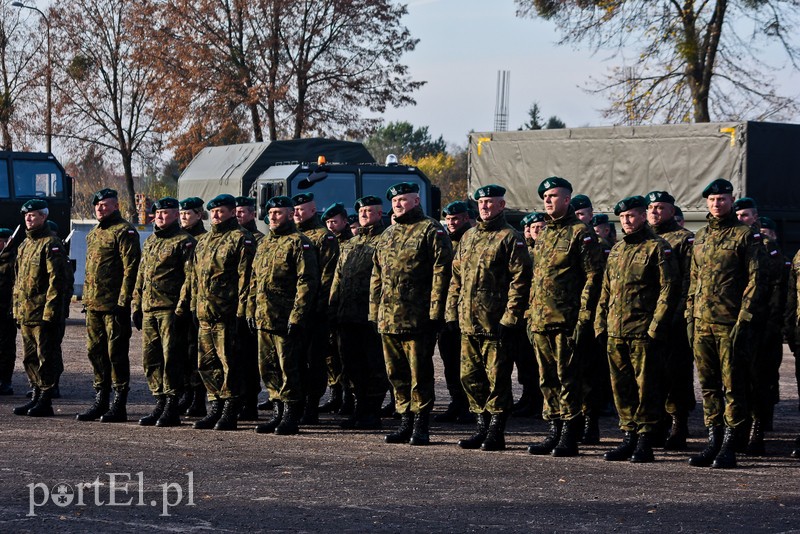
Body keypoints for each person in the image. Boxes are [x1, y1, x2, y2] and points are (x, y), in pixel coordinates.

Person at [446, 185, 531, 451]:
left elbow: (521, 281)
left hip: (495, 323)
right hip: (468, 322)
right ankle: (481, 425)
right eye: (481, 202)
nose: (484, 206)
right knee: (470, 377)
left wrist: (510, 317)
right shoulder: (468, 237)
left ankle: (496, 430)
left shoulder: (510, 237)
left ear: (502, 205)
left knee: (497, 379)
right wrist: (451, 312)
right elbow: (456, 278)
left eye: (490, 202)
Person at [686, 178, 763, 469]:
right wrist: (690, 315)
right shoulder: (701, 236)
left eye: (722, 199)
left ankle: (731, 443)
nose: (716, 204)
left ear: (731, 201)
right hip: (702, 323)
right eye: (712, 200)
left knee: (733, 385)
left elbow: (756, 279)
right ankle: (713, 440)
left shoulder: (745, 235)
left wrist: (744, 318)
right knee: (708, 385)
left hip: (730, 322)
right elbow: (694, 280)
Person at [595, 195, 678, 463]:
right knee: (621, 388)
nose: (627, 221)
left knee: (646, 389)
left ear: (643, 216)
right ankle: (628, 436)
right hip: (616, 331)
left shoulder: (657, 247)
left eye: (631, 216)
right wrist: (600, 322)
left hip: (643, 331)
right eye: (622, 217)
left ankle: (645, 440)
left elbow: (669, 289)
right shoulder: (618, 250)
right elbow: (606, 290)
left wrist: (655, 326)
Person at [370, 181, 453, 446]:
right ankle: (404, 420)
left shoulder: (431, 230)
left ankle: (421, 424)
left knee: (420, 374)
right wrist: (375, 311)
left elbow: (442, 272)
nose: (398, 204)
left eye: (403, 200)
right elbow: (377, 275)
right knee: (397, 374)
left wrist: (436, 312)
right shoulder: (388, 233)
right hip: (389, 318)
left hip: (418, 318)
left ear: (416, 201)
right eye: (395, 201)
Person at [527, 177, 605, 458]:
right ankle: (554, 430)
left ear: (567, 199)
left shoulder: (580, 233)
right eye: (545, 196)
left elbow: (593, 276)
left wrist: (584, 317)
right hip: (540, 320)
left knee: (568, 379)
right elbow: (538, 278)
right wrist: (529, 313)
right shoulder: (546, 233)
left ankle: (570, 434)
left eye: (554, 195)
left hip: (566, 320)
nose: (548, 200)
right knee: (547, 380)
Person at [248, 196, 319, 436]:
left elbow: (306, 282)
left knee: (289, 367)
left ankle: (290, 415)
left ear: (290, 214)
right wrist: (250, 309)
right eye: (271, 213)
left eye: (279, 213)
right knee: (268, 367)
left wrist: (297, 316)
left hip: (285, 317)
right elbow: (255, 280)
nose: (274, 217)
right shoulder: (265, 243)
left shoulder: (299, 242)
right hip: (264, 316)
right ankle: (277, 410)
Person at [190, 194, 255, 431]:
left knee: (230, 363)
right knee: (207, 364)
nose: (216, 215)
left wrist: (241, 312)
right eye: (213, 211)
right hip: (205, 313)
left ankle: (230, 410)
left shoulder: (241, 239)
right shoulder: (205, 241)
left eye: (221, 211)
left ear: (231, 212)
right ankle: (214, 406)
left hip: (227, 314)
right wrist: (193, 307)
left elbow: (245, 279)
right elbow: (195, 278)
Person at [77, 189, 141, 423]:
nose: (100, 209)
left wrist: (124, 302)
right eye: (97, 205)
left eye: (105, 205)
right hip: (93, 305)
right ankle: (101, 399)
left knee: (116, 355)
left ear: (116, 206)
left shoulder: (125, 231)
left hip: (114, 306)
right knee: (96, 353)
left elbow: (130, 268)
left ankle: (119, 403)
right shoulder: (94, 233)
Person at [132, 197, 196, 427]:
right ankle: (159, 400)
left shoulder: (184, 242)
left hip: (170, 310)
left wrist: (181, 308)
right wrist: (136, 305)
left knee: (172, 360)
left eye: (166, 213)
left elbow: (190, 279)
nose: (160, 217)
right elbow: (141, 275)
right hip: (149, 309)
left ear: (176, 215)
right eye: (157, 213)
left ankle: (172, 405)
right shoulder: (150, 241)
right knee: (151, 360)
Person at [329, 195, 389, 429]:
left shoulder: (385, 241)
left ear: (379, 213)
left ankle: (372, 412)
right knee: (351, 365)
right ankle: (359, 408)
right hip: (348, 316)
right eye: (361, 211)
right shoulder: (349, 245)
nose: (364, 214)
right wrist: (333, 310)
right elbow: (338, 280)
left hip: (371, 316)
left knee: (373, 365)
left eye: (369, 210)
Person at [646, 190, 696, 450]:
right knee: (652, 374)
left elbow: (688, 279)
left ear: (672, 211)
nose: (655, 212)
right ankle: (657, 424)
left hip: (673, 317)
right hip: (646, 317)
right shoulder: (642, 239)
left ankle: (679, 424)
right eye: (652, 207)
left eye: (661, 207)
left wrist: (679, 315)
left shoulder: (684, 239)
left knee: (676, 373)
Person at [11, 200, 69, 417]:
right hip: (26, 313)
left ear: (44, 217)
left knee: (46, 357)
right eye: (26, 215)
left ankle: (45, 399)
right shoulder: (25, 245)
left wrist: (51, 311)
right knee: (30, 358)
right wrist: (16, 309)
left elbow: (58, 280)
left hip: (42, 313)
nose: (29, 219)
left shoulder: (51, 244)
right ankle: (35, 394)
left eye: (33, 215)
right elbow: (19, 281)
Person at [291, 192, 340, 424]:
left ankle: (311, 405)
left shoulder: (324, 237)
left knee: (314, 360)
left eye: (302, 209)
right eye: (295, 209)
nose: (297, 213)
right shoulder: (292, 236)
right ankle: (296, 403)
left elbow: (327, 276)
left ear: (313, 210)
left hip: (314, 312)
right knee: (295, 359)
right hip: (292, 311)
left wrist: (317, 309)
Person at [435, 200, 473, 424]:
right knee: (449, 361)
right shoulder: (444, 242)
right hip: (446, 310)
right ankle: (456, 401)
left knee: (468, 363)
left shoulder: (471, 240)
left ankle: (470, 404)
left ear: (466, 218)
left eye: (456, 219)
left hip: (467, 310)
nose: (451, 223)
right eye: (448, 219)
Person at [320, 202, 355, 416]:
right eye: (328, 222)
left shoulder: (352, 244)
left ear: (345, 221)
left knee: (347, 356)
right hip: (330, 305)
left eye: (335, 221)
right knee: (331, 355)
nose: (331, 225)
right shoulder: (326, 243)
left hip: (348, 306)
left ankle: (349, 398)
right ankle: (335, 395)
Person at [511, 212, 544, 418]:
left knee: (540, 362)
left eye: (540, 227)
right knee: (525, 361)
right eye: (533, 228)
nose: (536, 231)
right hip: (524, 313)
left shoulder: (546, 252)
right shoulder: (526, 252)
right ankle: (528, 396)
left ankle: (539, 401)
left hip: (541, 314)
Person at [234, 196, 263, 421]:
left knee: (247, 359)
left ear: (253, 214)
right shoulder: (228, 239)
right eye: (235, 211)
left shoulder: (260, 240)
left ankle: (249, 402)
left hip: (248, 308)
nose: (238, 215)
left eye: (242, 211)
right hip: (226, 308)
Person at [178, 197, 207, 417]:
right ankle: (185, 394)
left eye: (188, 214)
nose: (183, 217)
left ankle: (197, 398)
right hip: (177, 303)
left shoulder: (203, 240)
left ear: (199, 215)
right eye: (181, 214)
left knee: (195, 352)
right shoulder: (178, 238)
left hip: (195, 304)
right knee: (182, 354)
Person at [0, 228, 17, 395]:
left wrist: (13, 309)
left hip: (6, 311)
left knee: (5, 349)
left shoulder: (14, 261)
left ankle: (5, 381)